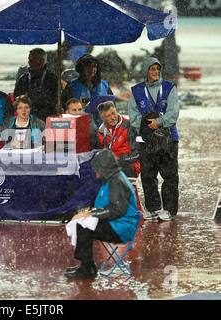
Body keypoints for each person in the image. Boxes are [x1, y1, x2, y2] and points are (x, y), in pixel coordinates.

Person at [64, 149, 139, 279]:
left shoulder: (117, 181)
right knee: (82, 224)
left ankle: (87, 267)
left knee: (84, 228)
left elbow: (116, 210)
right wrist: (88, 213)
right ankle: (87, 265)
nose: (95, 171)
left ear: (104, 167)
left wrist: (93, 214)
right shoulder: (112, 177)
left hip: (121, 228)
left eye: (97, 168)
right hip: (116, 222)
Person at [128, 57, 179, 222]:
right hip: (145, 139)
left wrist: (159, 122)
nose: (156, 72)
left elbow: (173, 113)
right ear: (145, 71)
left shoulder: (169, 88)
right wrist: (147, 124)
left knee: (169, 174)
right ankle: (153, 208)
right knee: (148, 175)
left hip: (168, 139)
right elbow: (133, 115)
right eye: (152, 69)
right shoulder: (136, 91)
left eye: (158, 69)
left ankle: (169, 209)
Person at [61, 54, 113, 126]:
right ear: (81, 68)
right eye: (88, 66)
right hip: (79, 125)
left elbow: (112, 105)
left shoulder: (104, 85)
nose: (92, 69)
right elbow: (65, 106)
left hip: (102, 126)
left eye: (95, 66)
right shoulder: (72, 86)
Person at [97, 101, 140, 178]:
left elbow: (138, 153)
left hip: (130, 166)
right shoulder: (101, 132)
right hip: (113, 166)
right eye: (108, 116)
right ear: (102, 118)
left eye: (113, 113)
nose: (113, 117)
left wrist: (120, 160)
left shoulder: (129, 126)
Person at [13, 48, 58, 122]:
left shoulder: (52, 79)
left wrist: (34, 98)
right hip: (27, 119)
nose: (29, 62)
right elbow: (16, 99)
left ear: (42, 61)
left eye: (33, 60)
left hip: (47, 119)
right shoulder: (23, 79)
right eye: (29, 59)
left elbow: (55, 100)